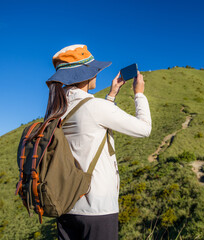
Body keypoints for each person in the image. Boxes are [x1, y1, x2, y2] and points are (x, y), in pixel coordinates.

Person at [44, 44, 151, 240]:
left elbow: (91, 126)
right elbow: (144, 129)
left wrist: (111, 95)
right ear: (84, 75)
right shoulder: (95, 107)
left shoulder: (56, 110)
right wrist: (139, 93)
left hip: (66, 206)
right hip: (97, 208)